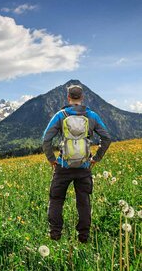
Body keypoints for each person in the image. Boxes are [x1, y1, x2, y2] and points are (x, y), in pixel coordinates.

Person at [42, 84, 111, 243]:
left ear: (68, 98)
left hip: (63, 167)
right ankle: (83, 238)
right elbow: (106, 138)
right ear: (82, 98)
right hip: (84, 167)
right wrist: (96, 158)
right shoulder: (92, 116)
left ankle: (55, 235)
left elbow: (46, 140)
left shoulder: (60, 115)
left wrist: (52, 160)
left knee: (56, 200)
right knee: (83, 203)